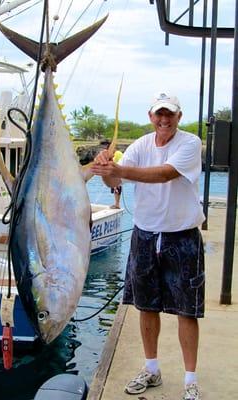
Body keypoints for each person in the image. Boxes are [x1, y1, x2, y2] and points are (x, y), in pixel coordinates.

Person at [91, 92, 205, 400]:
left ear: (179, 117)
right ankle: (151, 369)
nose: (164, 119)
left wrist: (118, 169)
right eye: (159, 114)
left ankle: (190, 380)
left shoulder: (189, 143)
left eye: (170, 114)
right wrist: (105, 170)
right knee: (146, 306)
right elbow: (115, 184)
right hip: (144, 236)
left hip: (182, 236)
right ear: (151, 116)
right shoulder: (140, 145)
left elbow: (164, 174)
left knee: (187, 310)